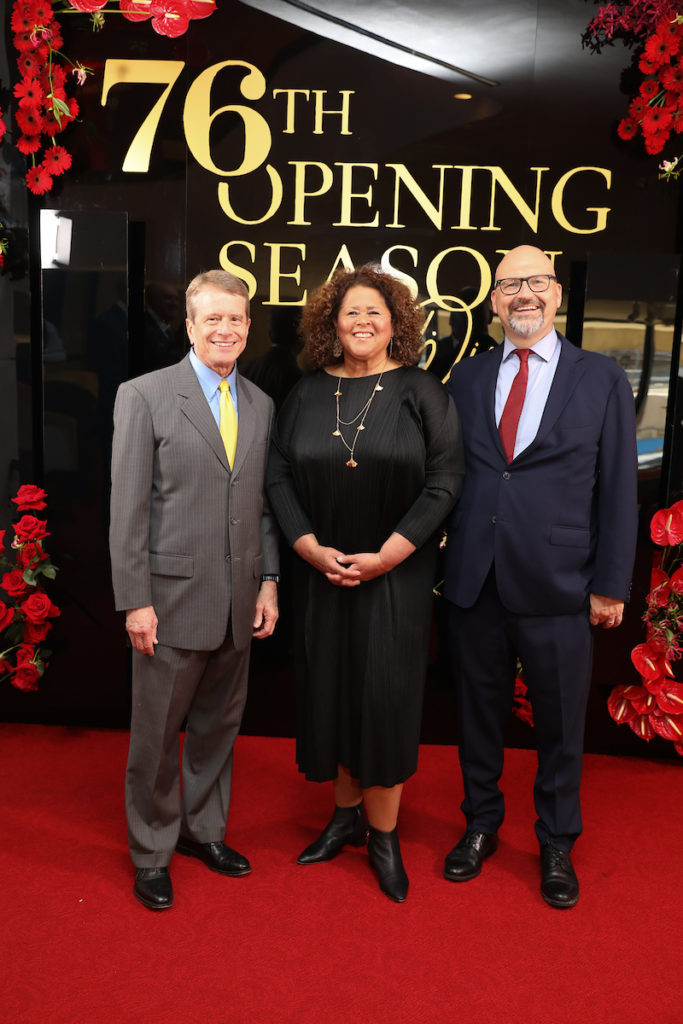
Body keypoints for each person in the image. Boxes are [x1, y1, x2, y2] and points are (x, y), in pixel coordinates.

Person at [443, 245, 638, 908]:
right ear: (492, 301)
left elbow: (616, 488)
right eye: (508, 285)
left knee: (559, 723)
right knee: (477, 714)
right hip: (475, 577)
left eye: (534, 282)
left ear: (555, 294)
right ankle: (480, 824)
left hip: (561, 581)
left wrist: (611, 582)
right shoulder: (464, 379)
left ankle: (555, 840)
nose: (521, 294)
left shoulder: (600, 378)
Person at [267, 265, 464, 902]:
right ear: (332, 321)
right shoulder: (304, 392)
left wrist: (386, 556)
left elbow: (445, 482)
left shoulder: (421, 390)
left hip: (395, 577)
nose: (362, 322)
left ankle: (384, 836)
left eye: (375, 313)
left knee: (382, 698)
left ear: (396, 323)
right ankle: (344, 818)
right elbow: (276, 480)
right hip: (321, 573)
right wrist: (307, 548)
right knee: (330, 690)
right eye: (350, 312)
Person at [109, 269, 279, 910]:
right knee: (155, 738)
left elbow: (259, 503)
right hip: (168, 601)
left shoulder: (260, 404)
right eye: (213, 318)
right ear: (188, 325)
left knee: (217, 729)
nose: (225, 329)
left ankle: (203, 833)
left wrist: (268, 581)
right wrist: (135, 600)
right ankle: (152, 851)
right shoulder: (145, 395)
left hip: (238, 599)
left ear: (247, 325)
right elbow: (127, 509)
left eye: (236, 319)